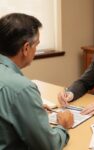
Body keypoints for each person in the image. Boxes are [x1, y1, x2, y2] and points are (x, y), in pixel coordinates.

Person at [0, 13, 74, 150]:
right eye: (37, 44)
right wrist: (63, 126)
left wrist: (31, 108)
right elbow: (48, 146)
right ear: (26, 48)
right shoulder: (22, 88)